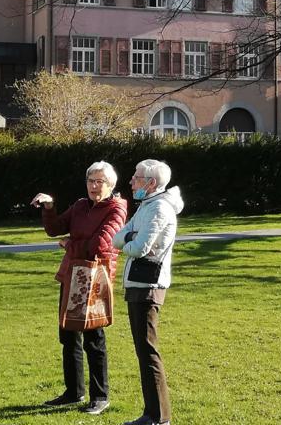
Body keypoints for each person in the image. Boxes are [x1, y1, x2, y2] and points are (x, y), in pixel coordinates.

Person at [31, 161, 127, 416]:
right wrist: (49, 207)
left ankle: (100, 396)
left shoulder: (117, 209)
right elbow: (54, 229)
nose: (94, 186)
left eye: (100, 182)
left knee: (94, 340)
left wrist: (68, 245)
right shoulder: (81, 205)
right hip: (71, 276)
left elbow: (99, 247)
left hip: (95, 280)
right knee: (68, 336)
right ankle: (73, 392)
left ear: (111, 185)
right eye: (90, 181)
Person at [112, 159, 183, 425]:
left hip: (148, 285)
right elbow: (118, 237)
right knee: (143, 350)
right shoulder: (147, 206)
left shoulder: (159, 209)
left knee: (148, 350)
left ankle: (158, 417)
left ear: (151, 183)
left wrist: (128, 239)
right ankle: (152, 413)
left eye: (137, 177)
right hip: (137, 284)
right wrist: (128, 238)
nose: (131, 181)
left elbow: (139, 247)